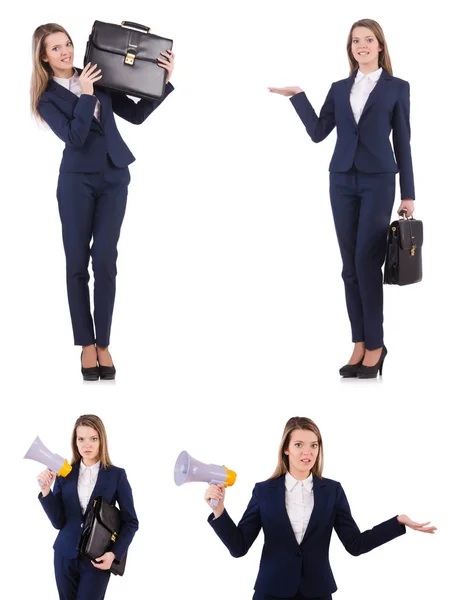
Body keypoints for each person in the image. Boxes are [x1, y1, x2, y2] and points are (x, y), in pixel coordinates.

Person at [269, 19, 415, 378]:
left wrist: (408, 192)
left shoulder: (397, 87)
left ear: (380, 46)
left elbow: (403, 142)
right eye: (355, 41)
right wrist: (297, 97)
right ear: (350, 48)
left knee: (367, 262)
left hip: (379, 181)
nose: (361, 46)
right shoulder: (339, 88)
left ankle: (376, 346)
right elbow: (319, 133)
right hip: (341, 181)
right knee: (349, 267)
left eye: (368, 40)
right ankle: (359, 343)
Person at [30, 23, 175, 380]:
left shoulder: (95, 71)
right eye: (55, 49)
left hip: (114, 176)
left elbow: (137, 115)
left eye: (67, 44)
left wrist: (164, 81)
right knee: (77, 263)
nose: (65, 52)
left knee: (105, 259)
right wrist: (86, 94)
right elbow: (75, 138)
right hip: (76, 182)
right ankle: (86, 345)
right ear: (44, 58)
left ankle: (105, 342)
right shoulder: (47, 98)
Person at [205, 416, 435, 600]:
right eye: (299, 445)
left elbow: (355, 544)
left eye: (313, 445)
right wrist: (219, 511)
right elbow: (239, 547)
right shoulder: (263, 491)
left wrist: (397, 523)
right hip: (271, 592)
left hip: (317, 591)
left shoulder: (332, 491)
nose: (308, 452)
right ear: (286, 449)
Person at [37, 414, 138, 599]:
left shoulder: (116, 475)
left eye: (93, 438)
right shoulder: (64, 473)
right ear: (75, 442)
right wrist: (46, 491)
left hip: (97, 559)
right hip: (64, 555)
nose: (87, 445)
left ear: (101, 440)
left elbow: (131, 522)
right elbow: (58, 522)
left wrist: (114, 555)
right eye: (81, 439)